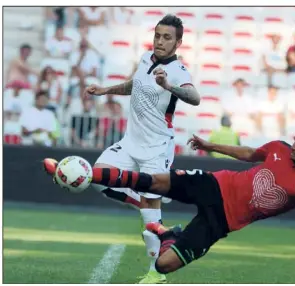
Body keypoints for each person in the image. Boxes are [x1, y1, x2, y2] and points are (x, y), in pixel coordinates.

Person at [44, 121, 295, 275]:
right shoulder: (278, 148)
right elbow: (249, 153)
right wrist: (209, 146)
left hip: (223, 221)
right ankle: (85, 174)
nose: (294, 146)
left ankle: (168, 234)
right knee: (153, 182)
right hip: (216, 185)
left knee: (164, 266)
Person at [45, 14, 200, 284]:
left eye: (167, 37)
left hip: (156, 148)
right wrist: (106, 91)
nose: (160, 41)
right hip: (130, 142)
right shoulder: (145, 59)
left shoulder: (178, 70)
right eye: (158, 35)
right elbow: (134, 85)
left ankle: (156, 273)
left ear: (178, 43)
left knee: (150, 220)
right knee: (95, 176)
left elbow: (195, 97)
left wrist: (169, 86)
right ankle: (141, 200)